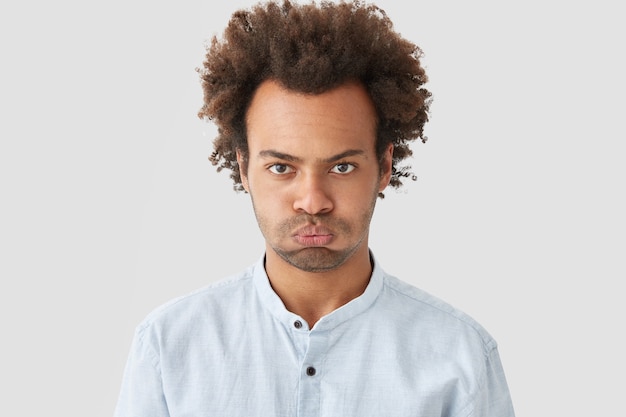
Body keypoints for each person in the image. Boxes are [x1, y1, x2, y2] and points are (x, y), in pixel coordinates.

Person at [114, 1, 515, 416]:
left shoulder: (461, 357)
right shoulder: (169, 347)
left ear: (384, 166)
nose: (313, 201)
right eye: (282, 167)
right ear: (244, 167)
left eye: (342, 167)